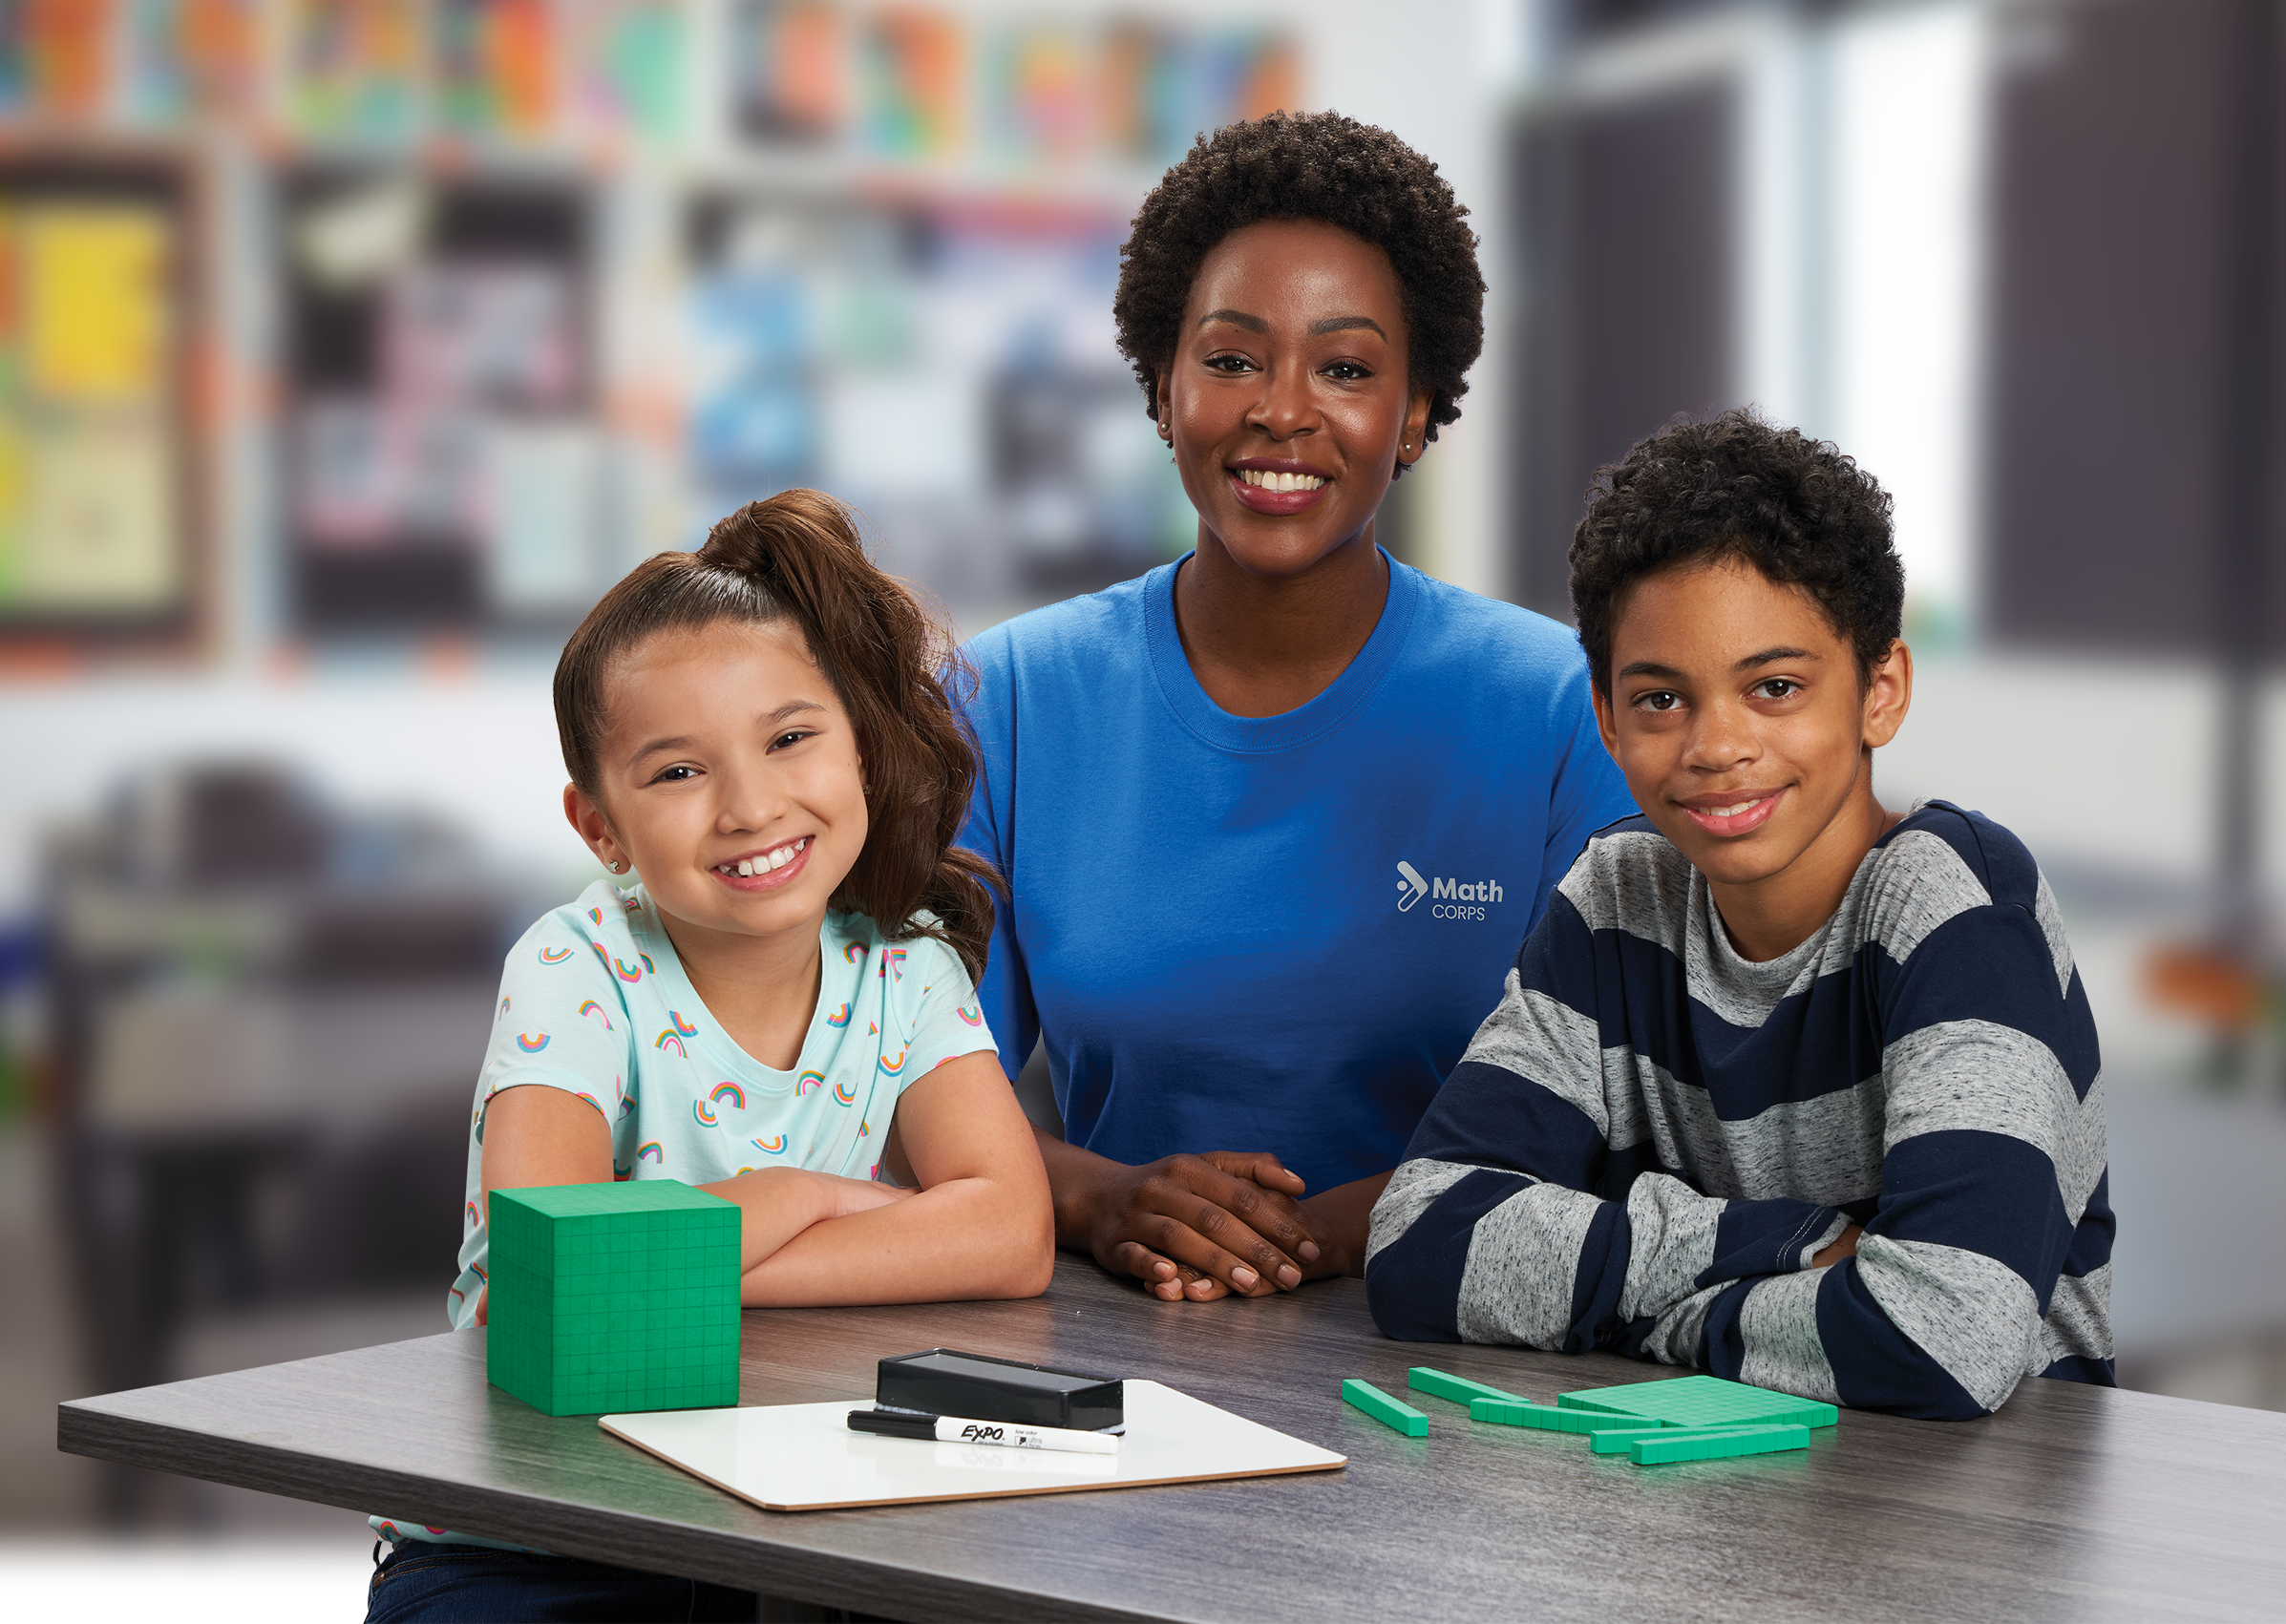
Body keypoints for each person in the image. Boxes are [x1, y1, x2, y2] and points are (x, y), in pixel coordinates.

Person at [957, 111, 1636, 1305]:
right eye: (1230, 360)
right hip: (1114, 1335)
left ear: (1418, 411)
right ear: (1161, 391)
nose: (1282, 409)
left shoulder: (1560, 711)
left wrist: (1330, 1232)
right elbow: (907, 1086)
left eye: (1346, 367)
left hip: (1456, 1343)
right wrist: (1097, 1197)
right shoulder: (1005, 701)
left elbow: (1620, 1111)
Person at [366, 491, 1051, 1621]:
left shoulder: (905, 966)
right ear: (600, 826)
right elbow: (553, 1286)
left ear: (861, 753)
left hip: (787, 1522)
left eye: (790, 739)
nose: (749, 806)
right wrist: (804, 1197)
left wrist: (668, 1271)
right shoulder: (574, 966)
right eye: (679, 772)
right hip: (531, 1541)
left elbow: (1012, 1234)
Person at [1365, 411, 2113, 1420]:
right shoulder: (1618, 900)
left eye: (1773, 687)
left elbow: (1942, 1340)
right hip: (1709, 1495)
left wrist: (1648, 1312)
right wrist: (1787, 1244)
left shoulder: (1960, 908)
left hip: (1974, 1511)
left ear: (1880, 691)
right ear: (1606, 719)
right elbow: (1419, 1244)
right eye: (1662, 700)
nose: (1717, 745)